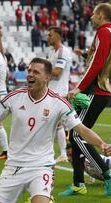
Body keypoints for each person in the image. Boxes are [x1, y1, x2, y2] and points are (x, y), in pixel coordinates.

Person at [0, 58, 111, 203]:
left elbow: (82, 130)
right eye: (29, 71)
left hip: (41, 167)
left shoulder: (59, 103)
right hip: (13, 166)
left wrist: (102, 144)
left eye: (36, 72)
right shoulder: (14, 97)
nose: (30, 75)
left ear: (47, 77)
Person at [60, 3, 111, 197]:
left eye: (94, 14)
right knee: (74, 133)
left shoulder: (103, 33)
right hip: (101, 89)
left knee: (78, 135)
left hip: (93, 91)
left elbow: (98, 63)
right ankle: (78, 183)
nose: (91, 17)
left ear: (102, 15)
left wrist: (80, 87)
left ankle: (107, 173)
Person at [47, 26, 73, 163]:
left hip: (59, 92)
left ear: (57, 36)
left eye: (50, 35)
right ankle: (63, 153)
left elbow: (57, 72)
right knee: (57, 124)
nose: (48, 37)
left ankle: (65, 152)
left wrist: (43, 74)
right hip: (52, 90)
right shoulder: (52, 51)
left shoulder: (63, 51)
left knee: (58, 123)